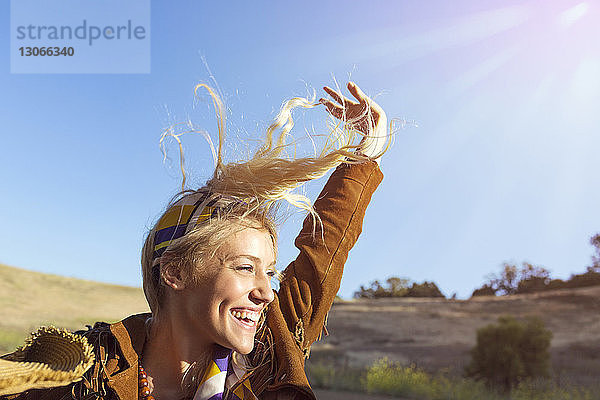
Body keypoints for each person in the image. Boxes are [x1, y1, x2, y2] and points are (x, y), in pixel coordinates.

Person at [0, 81, 389, 400]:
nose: (267, 293)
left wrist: (366, 154)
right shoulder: (78, 373)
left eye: (268, 273)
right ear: (176, 271)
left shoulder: (270, 354)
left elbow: (322, 254)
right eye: (245, 267)